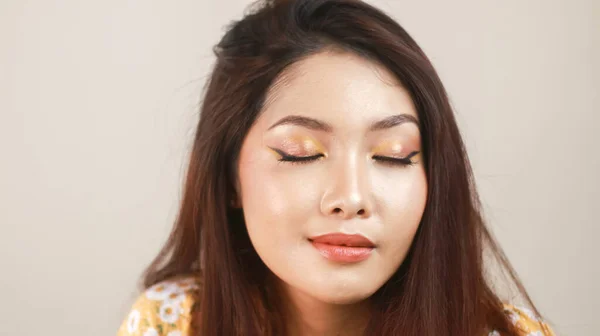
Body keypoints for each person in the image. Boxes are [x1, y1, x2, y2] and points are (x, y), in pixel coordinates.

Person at [117, 0, 556, 335]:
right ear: (229, 174)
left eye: (393, 154)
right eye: (300, 152)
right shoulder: (172, 322)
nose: (351, 198)